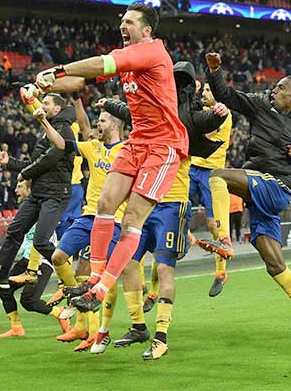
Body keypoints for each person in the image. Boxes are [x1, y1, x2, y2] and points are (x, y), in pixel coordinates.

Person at [33, 3, 189, 313]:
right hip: (137, 142)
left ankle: (102, 288)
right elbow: (80, 82)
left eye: (129, 22)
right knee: (105, 204)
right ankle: (94, 279)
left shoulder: (152, 52)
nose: (122, 25)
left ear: (146, 30)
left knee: (131, 219)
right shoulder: (128, 59)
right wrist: (41, 85)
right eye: (122, 20)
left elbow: (101, 63)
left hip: (163, 146)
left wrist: (58, 70)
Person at [96, 60, 229, 360]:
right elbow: (128, 111)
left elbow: (209, 120)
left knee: (165, 268)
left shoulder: (188, 116)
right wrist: (110, 103)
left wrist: (219, 113)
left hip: (172, 202)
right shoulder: (156, 112)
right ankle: (138, 326)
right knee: (129, 263)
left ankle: (161, 336)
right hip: (146, 200)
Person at [204, 51, 291, 352]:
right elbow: (227, 96)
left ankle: (224, 240)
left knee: (217, 177)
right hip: (259, 190)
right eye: (275, 86)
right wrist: (215, 71)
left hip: (275, 186)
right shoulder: (261, 104)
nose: (274, 89)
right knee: (275, 265)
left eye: (281, 88)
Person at [32, 94, 127, 352]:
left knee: (104, 276)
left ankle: (101, 330)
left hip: (114, 220)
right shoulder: (93, 147)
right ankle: (75, 300)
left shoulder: (127, 150)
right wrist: (43, 122)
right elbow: (63, 144)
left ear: (114, 125)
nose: (98, 125)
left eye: (102, 121)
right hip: (88, 217)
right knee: (59, 257)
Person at [0, 93, 75, 290]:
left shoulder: (64, 130)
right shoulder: (47, 129)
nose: (42, 105)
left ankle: (68, 278)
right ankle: (2, 274)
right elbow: (36, 163)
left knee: (40, 242)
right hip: (39, 192)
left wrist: (24, 173)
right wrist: (11, 163)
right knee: (15, 230)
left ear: (57, 108)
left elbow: (49, 160)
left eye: (46, 103)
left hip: (55, 194)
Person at [0, 179, 70, 338]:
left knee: (28, 301)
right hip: (26, 259)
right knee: (4, 289)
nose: (16, 190)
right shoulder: (27, 209)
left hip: (42, 261)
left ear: (30, 189)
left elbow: (42, 239)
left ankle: (60, 313)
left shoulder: (43, 209)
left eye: (20, 187)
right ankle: (16, 327)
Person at [189, 81, 234, 297]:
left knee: (212, 224)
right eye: (204, 90)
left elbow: (201, 132)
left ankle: (221, 273)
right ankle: (187, 239)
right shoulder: (202, 111)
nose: (205, 93)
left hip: (212, 172)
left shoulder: (223, 114)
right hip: (192, 167)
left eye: (208, 90)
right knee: (173, 203)